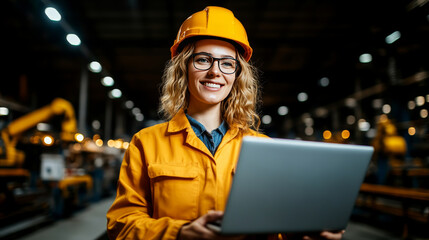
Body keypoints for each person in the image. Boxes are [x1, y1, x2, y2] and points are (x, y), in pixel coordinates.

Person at [106, 6, 344, 240]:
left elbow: (276, 227)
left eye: (227, 63)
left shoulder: (263, 147)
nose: (215, 72)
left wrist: (306, 233)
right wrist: (180, 233)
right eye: (203, 60)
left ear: (237, 75)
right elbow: (122, 223)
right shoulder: (146, 143)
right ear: (184, 68)